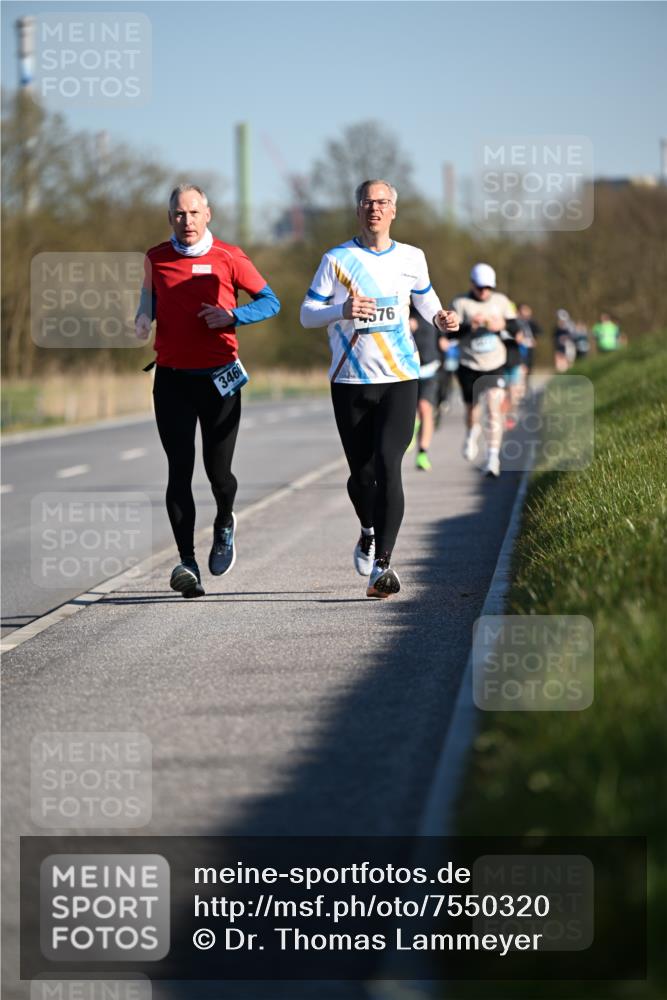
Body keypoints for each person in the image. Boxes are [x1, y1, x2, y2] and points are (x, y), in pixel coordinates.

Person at [300, 179, 458, 598]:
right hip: (350, 380)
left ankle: (383, 566)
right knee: (361, 476)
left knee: (390, 466)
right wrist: (342, 309)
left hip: (401, 377)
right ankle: (367, 531)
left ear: (393, 211)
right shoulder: (336, 259)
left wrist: (441, 318)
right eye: (368, 202)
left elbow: (425, 301)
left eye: (383, 202)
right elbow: (306, 314)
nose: (375, 208)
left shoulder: (412, 257)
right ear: (358, 210)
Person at [135, 184, 280, 598]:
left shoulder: (229, 256)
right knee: (178, 470)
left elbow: (271, 302)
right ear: (170, 218)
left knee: (219, 474)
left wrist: (232, 315)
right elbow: (148, 299)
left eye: (194, 213)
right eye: (179, 214)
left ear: (208, 214)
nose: (187, 221)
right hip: (172, 378)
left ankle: (224, 521)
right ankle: (187, 562)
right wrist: (143, 319)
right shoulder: (155, 257)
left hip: (220, 377)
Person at [444, 263, 519, 478]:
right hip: (469, 365)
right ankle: (471, 432)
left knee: (494, 408)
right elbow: (450, 335)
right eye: (480, 287)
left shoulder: (502, 301)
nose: (484, 292)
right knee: (472, 410)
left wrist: (502, 325)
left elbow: (517, 329)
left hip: (495, 364)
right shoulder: (461, 303)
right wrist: (470, 326)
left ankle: (493, 457)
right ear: (472, 285)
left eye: (488, 288)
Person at [409, 307, 441, 471]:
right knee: (410, 411)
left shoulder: (433, 310)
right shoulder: (403, 310)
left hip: (430, 369)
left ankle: (422, 452)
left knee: (425, 408)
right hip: (408, 370)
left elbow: (443, 335)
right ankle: (410, 432)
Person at [516, 302, 542, 398]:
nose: (527, 312)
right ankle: (519, 394)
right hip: (519, 351)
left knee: (527, 371)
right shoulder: (516, 322)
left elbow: (539, 330)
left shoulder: (529, 322)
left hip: (528, 351)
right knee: (521, 372)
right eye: (525, 310)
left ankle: (523, 391)